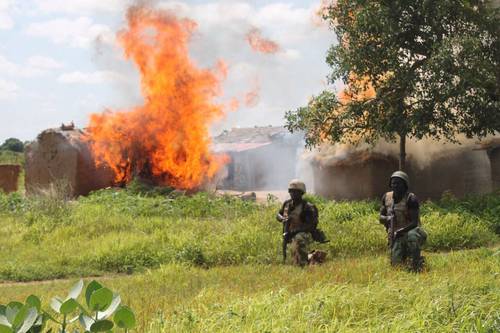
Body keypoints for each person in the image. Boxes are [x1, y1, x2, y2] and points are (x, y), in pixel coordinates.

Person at [379, 171, 427, 272]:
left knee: (412, 237)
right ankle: (408, 258)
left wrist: (400, 231)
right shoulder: (386, 197)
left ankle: (416, 264)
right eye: (393, 183)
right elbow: (380, 218)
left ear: (405, 185)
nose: (395, 186)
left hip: (413, 231)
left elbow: (414, 223)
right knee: (396, 266)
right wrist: (387, 219)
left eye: (398, 183)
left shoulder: (411, 198)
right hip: (396, 235)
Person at [276, 179, 320, 267]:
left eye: (295, 192)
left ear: (301, 193)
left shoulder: (307, 207)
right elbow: (278, 214)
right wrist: (282, 218)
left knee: (299, 239)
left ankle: (303, 264)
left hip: (305, 234)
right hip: (289, 233)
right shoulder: (287, 204)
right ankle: (308, 258)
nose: (292, 194)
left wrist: (294, 232)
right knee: (289, 254)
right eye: (291, 191)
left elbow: (310, 226)